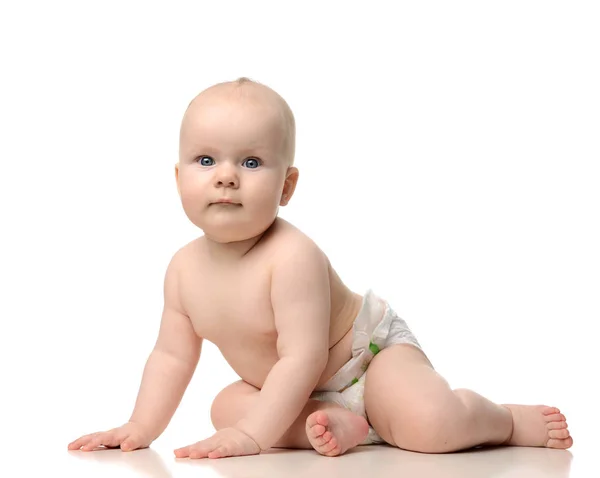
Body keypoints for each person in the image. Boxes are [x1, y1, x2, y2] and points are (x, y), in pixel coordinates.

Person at [68, 77, 573, 459]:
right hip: (296, 393)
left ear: (287, 186)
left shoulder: (292, 256)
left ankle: (504, 420)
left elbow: (303, 357)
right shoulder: (181, 270)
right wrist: (140, 427)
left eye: (250, 163)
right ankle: (344, 426)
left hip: (367, 360)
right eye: (205, 161)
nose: (225, 178)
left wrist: (252, 436)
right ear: (177, 178)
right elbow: (171, 358)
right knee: (226, 406)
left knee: (429, 425)